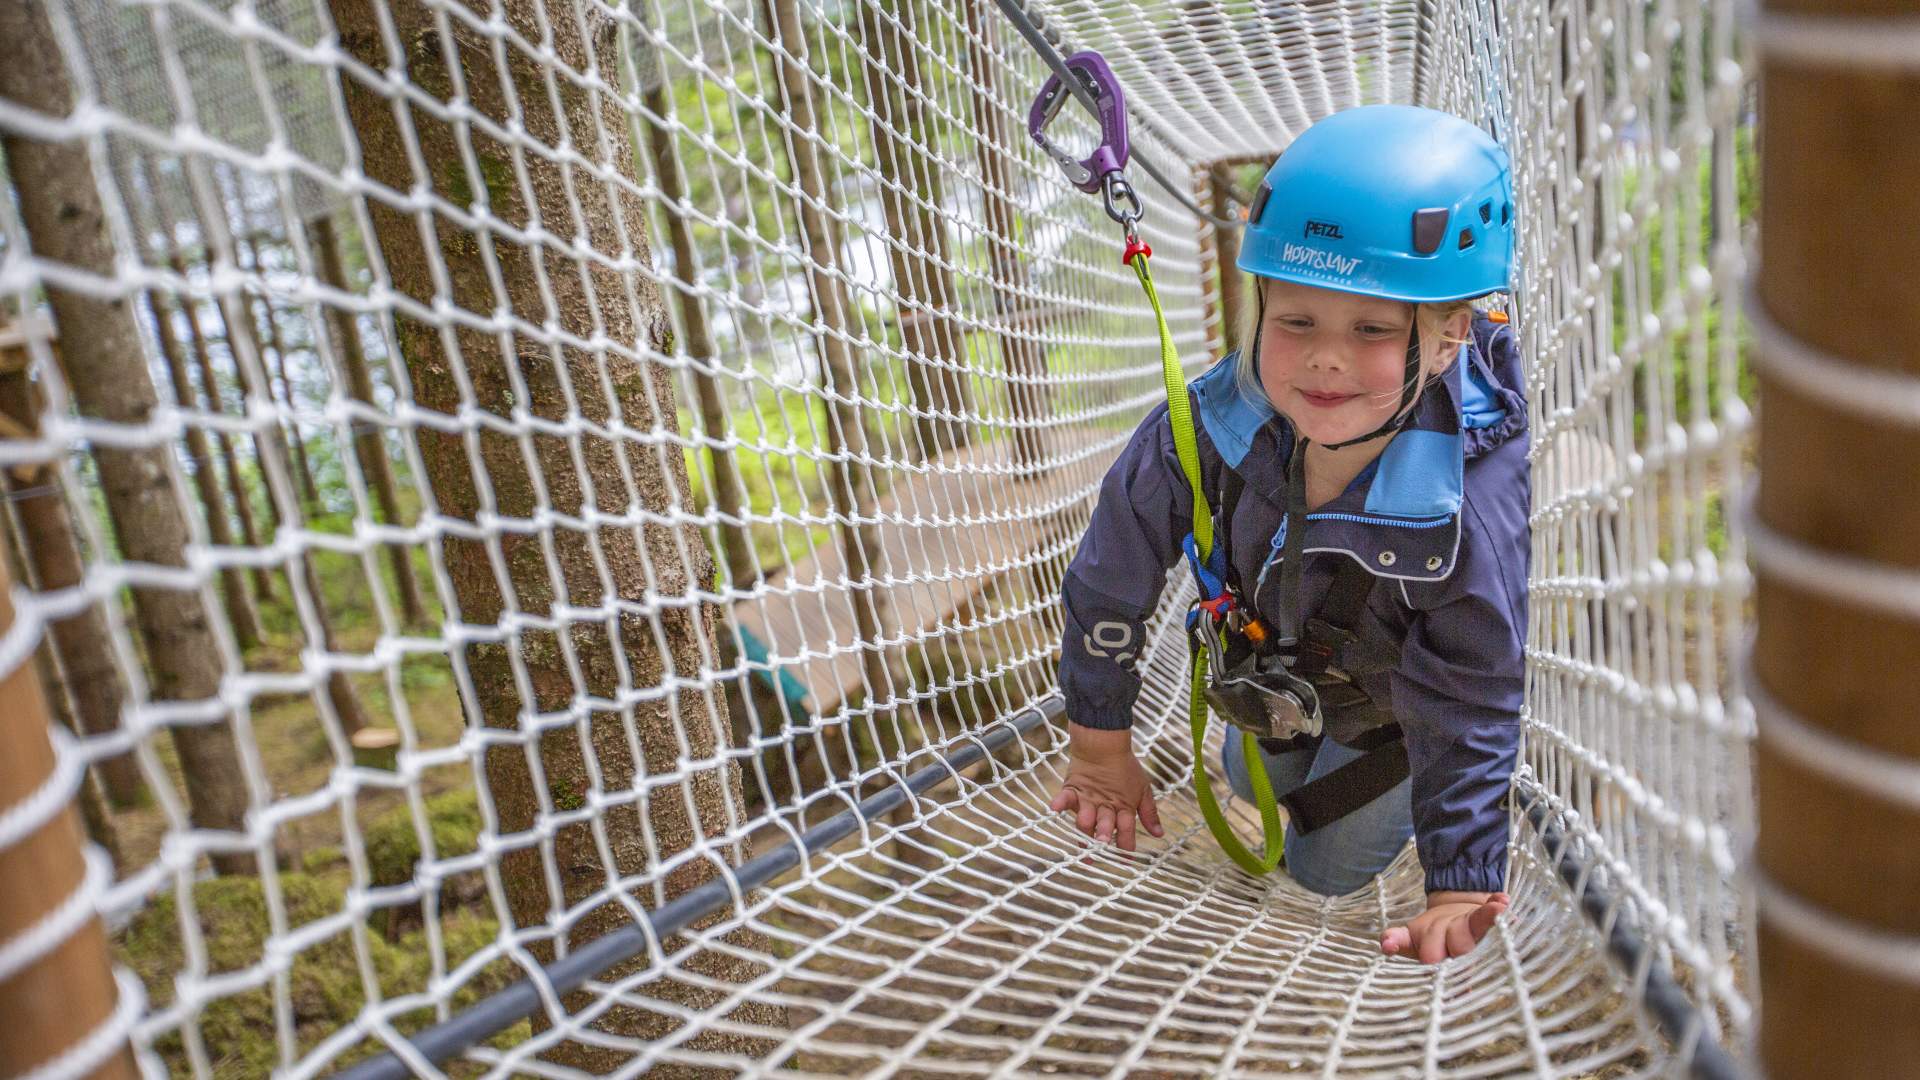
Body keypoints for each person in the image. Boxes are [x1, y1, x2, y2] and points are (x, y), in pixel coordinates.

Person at [1047, 105, 1528, 964]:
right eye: (1296, 321)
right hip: (1276, 649)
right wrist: (1098, 743)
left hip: (1398, 712)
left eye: (1373, 330)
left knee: (1322, 867)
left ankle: (1368, 776)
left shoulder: (1467, 514)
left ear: (1450, 336)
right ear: (1258, 307)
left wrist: (1458, 875)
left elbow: (1471, 693)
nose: (1325, 359)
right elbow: (1109, 578)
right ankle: (1285, 743)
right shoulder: (1202, 430)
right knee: (1243, 777)